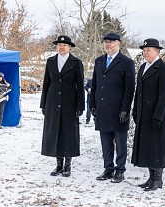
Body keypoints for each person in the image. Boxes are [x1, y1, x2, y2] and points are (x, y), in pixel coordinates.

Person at [89, 32, 135, 183]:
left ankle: (120, 170)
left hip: (118, 110)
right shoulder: (99, 61)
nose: (108, 44)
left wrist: (125, 109)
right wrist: (92, 104)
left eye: (111, 42)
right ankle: (108, 168)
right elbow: (94, 85)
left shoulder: (127, 62)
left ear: (118, 44)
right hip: (102, 109)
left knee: (120, 143)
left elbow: (129, 88)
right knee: (105, 142)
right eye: (106, 42)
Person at [131, 38, 165, 191]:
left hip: (156, 116)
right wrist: (135, 110)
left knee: (156, 147)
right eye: (144, 50)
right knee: (147, 147)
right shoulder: (143, 68)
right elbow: (138, 92)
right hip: (143, 115)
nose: (145, 52)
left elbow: (164, 95)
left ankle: (158, 179)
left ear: (157, 52)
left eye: (148, 50)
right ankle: (150, 177)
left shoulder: (164, 68)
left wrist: (158, 116)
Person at [40, 35, 85, 177]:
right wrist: (43, 104)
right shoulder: (50, 61)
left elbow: (80, 85)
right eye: (59, 44)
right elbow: (46, 83)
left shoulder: (76, 62)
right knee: (55, 133)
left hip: (69, 103)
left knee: (68, 133)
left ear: (70, 47)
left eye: (65, 45)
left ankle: (68, 165)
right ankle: (58, 165)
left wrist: (80, 106)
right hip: (52, 102)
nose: (62, 47)